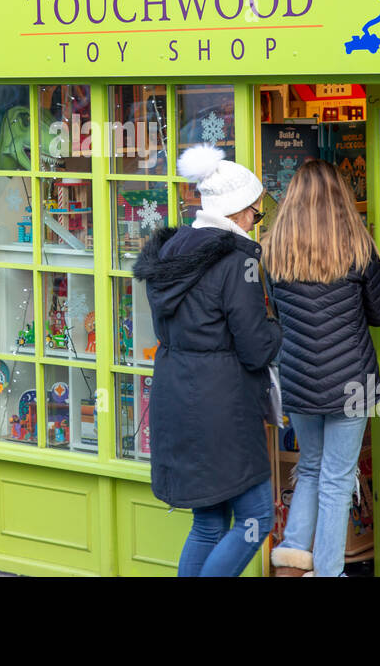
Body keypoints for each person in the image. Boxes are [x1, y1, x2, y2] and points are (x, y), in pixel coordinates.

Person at [134, 144, 282, 577]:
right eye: (257, 212)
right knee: (257, 518)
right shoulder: (236, 261)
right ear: (237, 212)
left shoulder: (172, 251)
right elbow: (256, 347)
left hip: (176, 393)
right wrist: (280, 327)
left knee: (209, 522)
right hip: (223, 404)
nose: (258, 220)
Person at [261, 158, 380, 577]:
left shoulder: (271, 251)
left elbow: (279, 314)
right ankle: (331, 571)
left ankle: (292, 559)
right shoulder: (360, 249)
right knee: (338, 479)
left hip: (298, 379)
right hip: (350, 382)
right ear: (342, 198)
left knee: (312, 468)